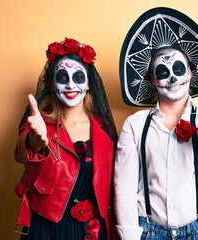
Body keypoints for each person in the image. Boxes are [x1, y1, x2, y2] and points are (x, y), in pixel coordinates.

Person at [114, 8, 198, 240]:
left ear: (189, 72)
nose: (172, 79)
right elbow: (123, 187)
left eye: (178, 69)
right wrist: (129, 236)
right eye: (163, 72)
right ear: (152, 79)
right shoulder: (134, 125)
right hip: (148, 231)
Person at [13, 37, 119, 240]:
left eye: (78, 77)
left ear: (88, 84)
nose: (71, 84)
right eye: (62, 77)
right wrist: (35, 141)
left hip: (92, 229)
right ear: (51, 84)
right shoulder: (38, 123)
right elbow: (21, 153)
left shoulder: (105, 129)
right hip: (46, 227)